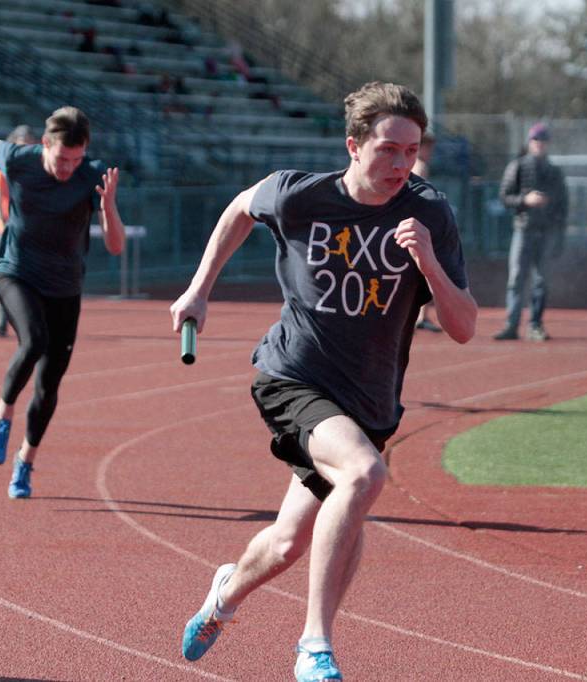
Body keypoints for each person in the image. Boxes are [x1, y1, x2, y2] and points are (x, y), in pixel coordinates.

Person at [170, 81, 477, 681]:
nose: (401, 164)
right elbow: (239, 209)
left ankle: (224, 595)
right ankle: (315, 645)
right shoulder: (297, 195)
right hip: (294, 378)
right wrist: (198, 289)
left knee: (288, 544)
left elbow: (463, 327)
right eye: (388, 149)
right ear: (354, 146)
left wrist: (429, 264)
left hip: (369, 399)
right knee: (364, 475)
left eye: (411, 152)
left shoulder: (429, 212)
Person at [0, 107, 124, 499]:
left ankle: (25, 461)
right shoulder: (19, 159)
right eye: (62, 159)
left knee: (49, 384)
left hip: (65, 286)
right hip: (16, 272)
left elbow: (115, 246)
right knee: (34, 340)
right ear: (45, 144)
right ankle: (1, 415)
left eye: (76, 160)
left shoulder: (92, 175)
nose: (68, 168)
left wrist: (108, 206)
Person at [494, 123, 568, 341]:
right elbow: (504, 197)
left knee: (541, 280)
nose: (540, 145)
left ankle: (535, 324)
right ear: (530, 142)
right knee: (516, 278)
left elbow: (563, 205)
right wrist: (525, 200)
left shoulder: (555, 172)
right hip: (523, 230)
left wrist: (559, 234)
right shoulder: (517, 166)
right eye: (536, 140)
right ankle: (512, 324)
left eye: (543, 141)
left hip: (546, 232)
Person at [0, 125, 37, 337]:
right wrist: (2, 219)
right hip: (9, 229)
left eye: (29, 140)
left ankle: (28, 320)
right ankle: (1, 321)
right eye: (21, 140)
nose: (25, 145)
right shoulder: (5, 164)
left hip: (32, 228)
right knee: (5, 275)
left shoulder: (39, 165)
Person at [413, 132, 441, 332]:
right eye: (428, 147)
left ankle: (421, 315)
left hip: (413, 224)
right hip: (418, 225)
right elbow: (420, 198)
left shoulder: (412, 165)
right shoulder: (420, 166)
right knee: (425, 271)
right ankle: (421, 315)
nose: (430, 152)